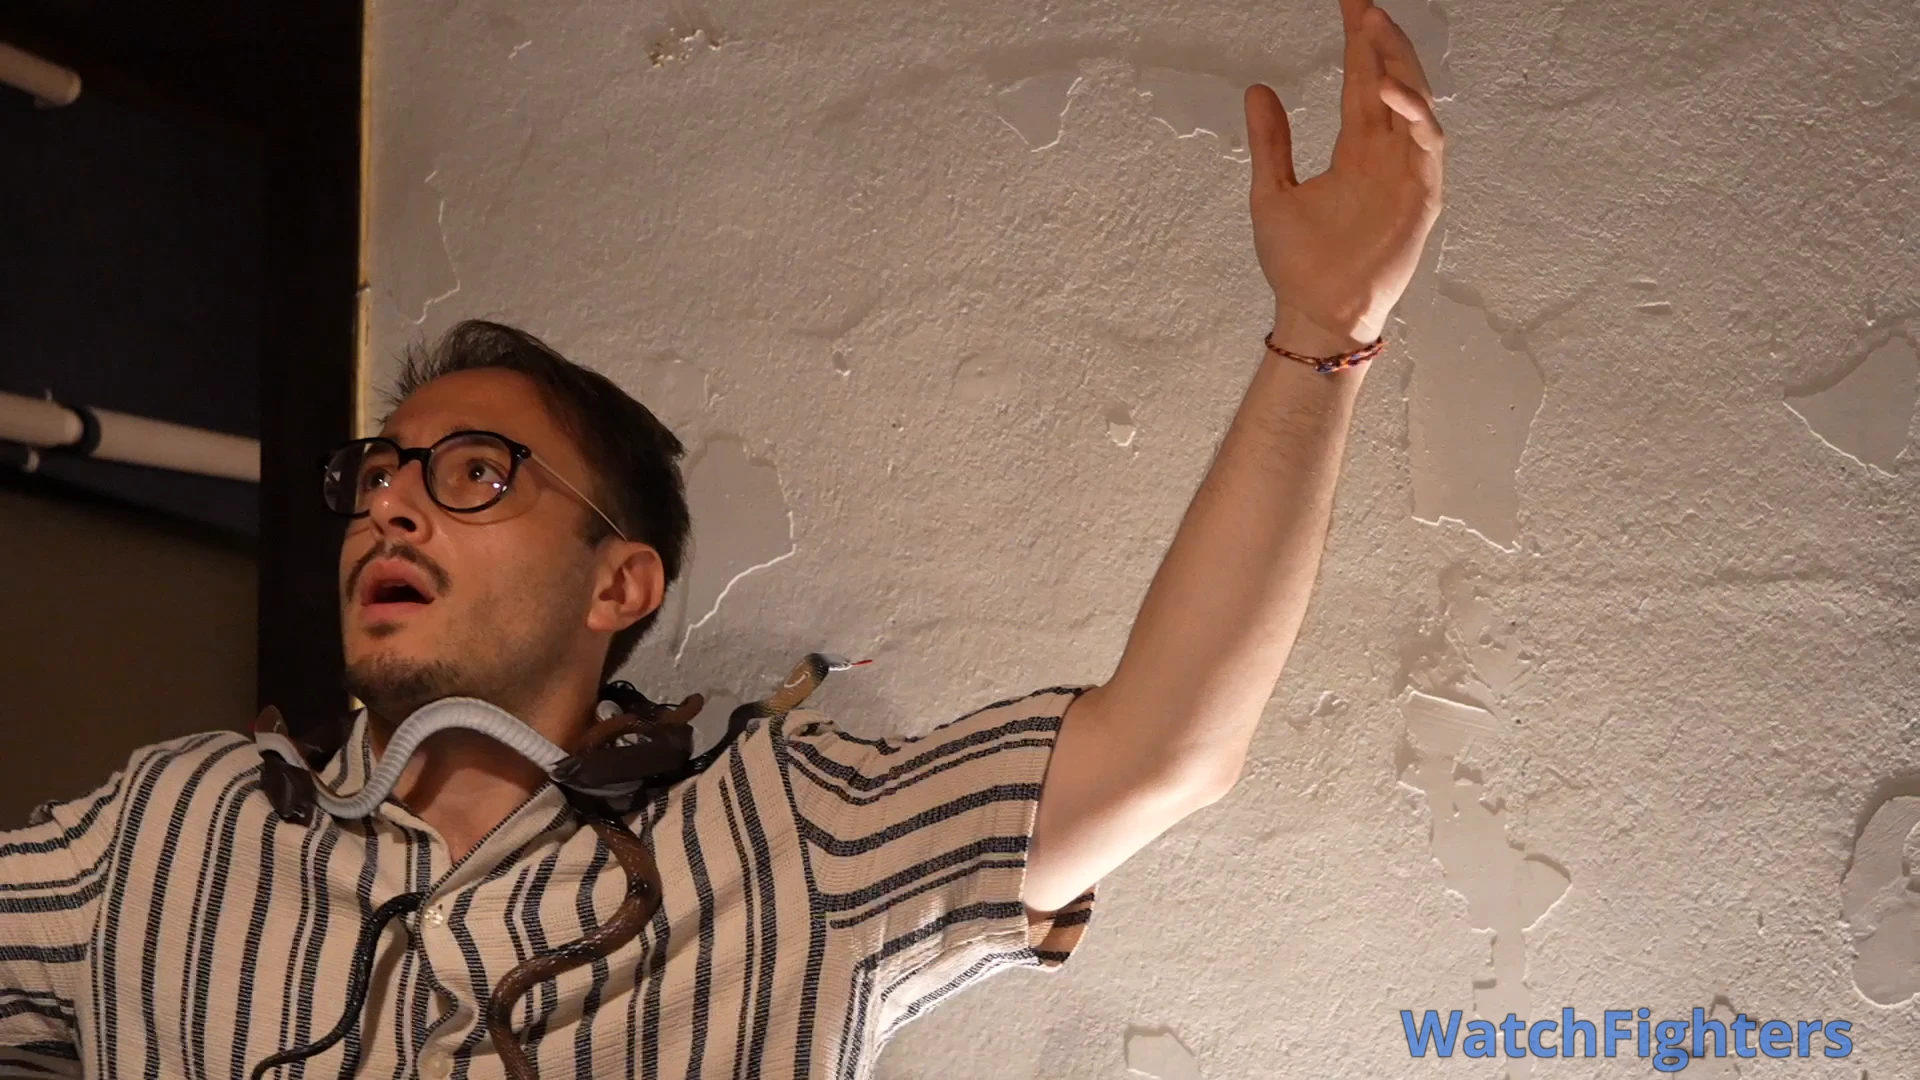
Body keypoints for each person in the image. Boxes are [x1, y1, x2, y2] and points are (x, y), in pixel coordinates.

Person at [0, 0, 1442, 1075]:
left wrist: (1322, 335)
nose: (391, 501)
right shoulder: (172, 830)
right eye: (379, 475)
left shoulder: (782, 837)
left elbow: (1163, 751)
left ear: (619, 582)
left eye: (475, 473)